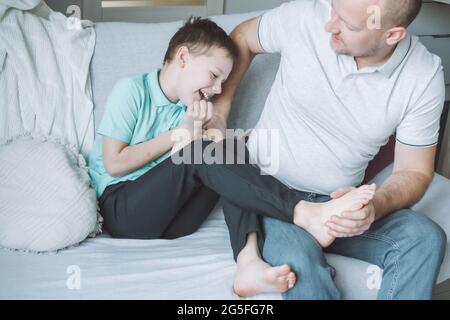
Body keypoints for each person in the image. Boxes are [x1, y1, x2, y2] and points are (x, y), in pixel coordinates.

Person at [88, 17, 376, 297]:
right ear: (183, 57)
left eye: (221, 84)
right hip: (123, 210)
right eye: (213, 76)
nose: (215, 90)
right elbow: (114, 164)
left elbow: (210, 165)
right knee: (204, 152)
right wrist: (182, 135)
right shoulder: (133, 90)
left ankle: (248, 263)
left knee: (233, 150)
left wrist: (212, 137)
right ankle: (303, 211)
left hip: (175, 222)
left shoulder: (193, 109)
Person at [208, 0, 447, 299]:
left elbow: (414, 170)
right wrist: (220, 110)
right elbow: (243, 37)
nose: (329, 24)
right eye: (334, 8)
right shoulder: (306, 16)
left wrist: (375, 206)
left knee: (424, 238)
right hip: (268, 192)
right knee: (299, 256)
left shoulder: (422, 76)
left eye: (348, 25)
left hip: (335, 206)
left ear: (392, 35)